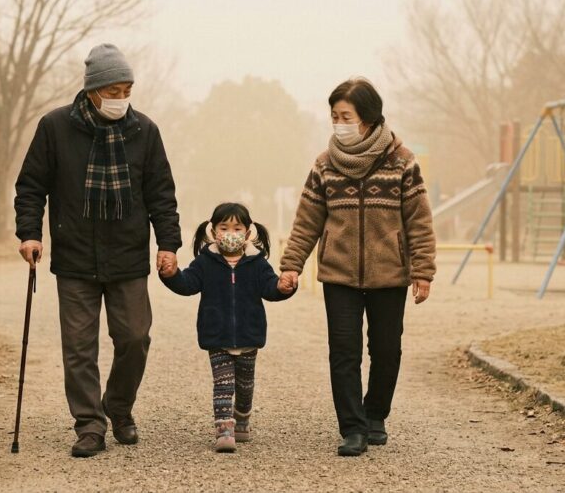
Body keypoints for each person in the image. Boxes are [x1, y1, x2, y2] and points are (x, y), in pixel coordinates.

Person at [14, 43, 182, 458]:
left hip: (127, 257)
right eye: (113, 89)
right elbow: (31, 187)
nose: (120, 98)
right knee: (79, 348)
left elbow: (161, 193)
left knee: (135, 338)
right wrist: (29, 234)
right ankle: (90, 424)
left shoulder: (145, 130)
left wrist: (169, 244)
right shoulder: (54, 128)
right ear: (92, 90)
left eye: (127, 89)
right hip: (73, 257)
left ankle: (119, 408)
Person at [278, 77, 436, 457]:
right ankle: (352, 427)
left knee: (386, 350)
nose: (338, 123)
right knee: (343, 352)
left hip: (389, 275)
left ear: (367, 117)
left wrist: (423, 270)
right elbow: (307, 221)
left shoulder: (402, 161)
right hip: (339, 275)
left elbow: (419, 219)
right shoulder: (325, 165)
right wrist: (291, 265)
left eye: (345, 116)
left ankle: (375, 415)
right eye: (334, 116)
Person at [158, 203, 295, 452]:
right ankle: (224, 429)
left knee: (244, 385)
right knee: (223, 383)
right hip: (216, 335)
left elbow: (271, 288)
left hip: (249, 334)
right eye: (224, 227)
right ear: (213, 230)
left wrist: (285, 287)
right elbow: (187, 284)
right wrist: (171, 274)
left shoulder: (257, 263)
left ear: (247, 231)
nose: (230, 232)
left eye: (236, 227)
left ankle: (242, 417)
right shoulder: (205, 262)